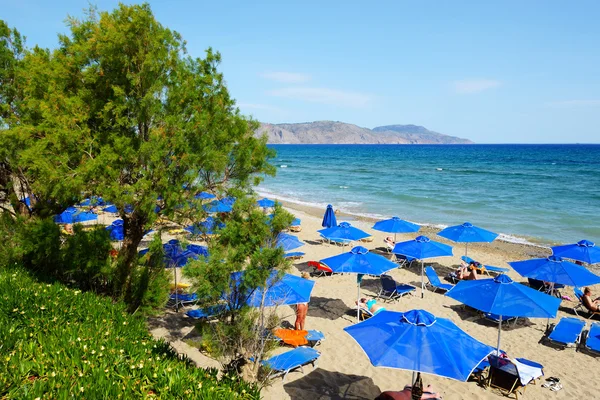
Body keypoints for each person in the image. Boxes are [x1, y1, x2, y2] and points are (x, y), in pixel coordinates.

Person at [375, 385, 441, 400]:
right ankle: (431, 392)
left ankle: (430, 392)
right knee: (409, 387)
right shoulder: (386, 394)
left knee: (409, 387)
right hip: (409, 393)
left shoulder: (386, 394)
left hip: (409, 393)